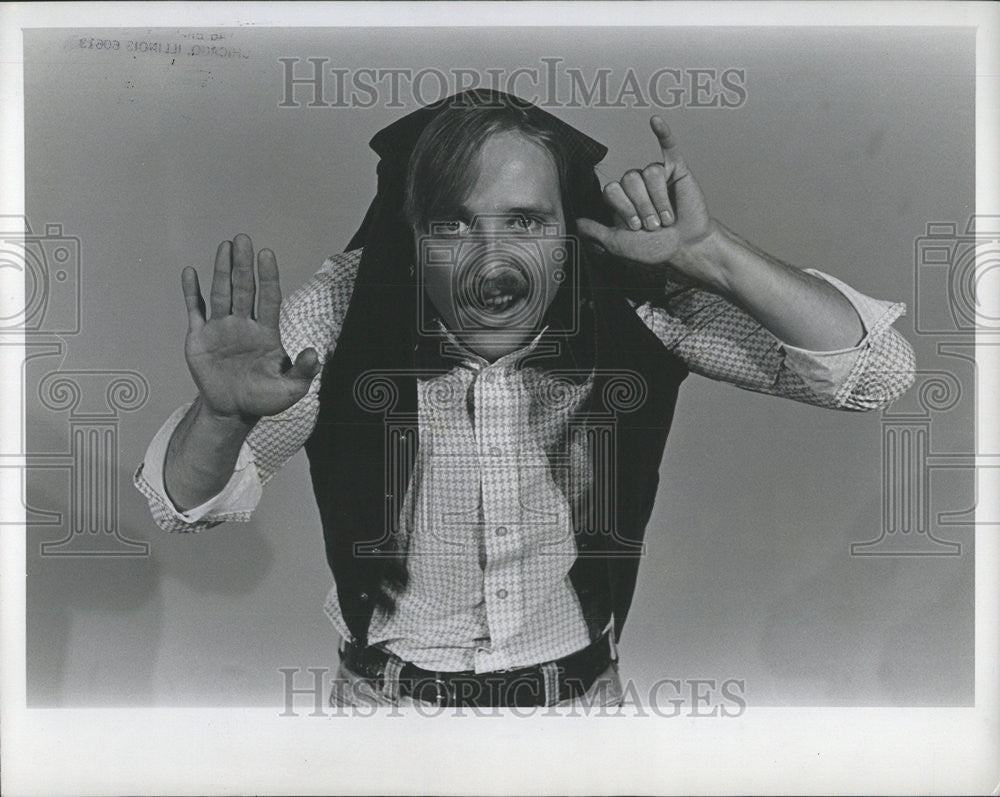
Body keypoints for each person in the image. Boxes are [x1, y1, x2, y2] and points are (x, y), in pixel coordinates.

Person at [134, 90, 916, 709]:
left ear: (569, 231)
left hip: (577, 717)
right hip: (384, 720)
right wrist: (224, 416)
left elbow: (878, 372)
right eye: (454, 225)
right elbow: (184, 507)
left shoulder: (630, 300)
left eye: (525, 221)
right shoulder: (341, 309)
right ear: (410, 233)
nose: (492, 262)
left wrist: (712, 254)